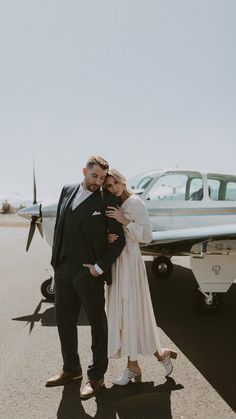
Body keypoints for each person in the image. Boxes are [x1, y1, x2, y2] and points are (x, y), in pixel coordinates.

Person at [46, 156, 125, 399]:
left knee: (97, 325)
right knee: (64, 321)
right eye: (94, 176)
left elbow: (118, 240)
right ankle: (71, 369)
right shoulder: (66, 190)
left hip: (89, 272)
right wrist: (56, 262)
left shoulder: (107, 200)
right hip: (63, 269)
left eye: (102, 178)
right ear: (84, 171)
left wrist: (99, 268)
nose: (98, 182)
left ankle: (96, 376)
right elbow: (61, 226)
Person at [104, 169, 177, 385]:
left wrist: (124, 220)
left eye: (115, 182)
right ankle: (158, 355)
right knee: (124, 314)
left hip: (132, 262)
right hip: (117, 262)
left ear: (122, 180)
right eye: (108, 186)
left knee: (133, 312)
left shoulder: (136, 203)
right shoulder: (113, 205)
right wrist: (108, 236)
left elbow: (147, 236)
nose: (114, 188)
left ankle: (134, 366)